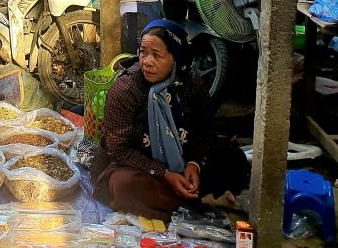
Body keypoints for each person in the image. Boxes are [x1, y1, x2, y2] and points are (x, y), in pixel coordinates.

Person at [90, 20, 250, 220]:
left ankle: (181, 197)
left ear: (177, 57)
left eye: (156, 55)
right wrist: (164, 173)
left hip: (181, 162)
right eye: (143, 52)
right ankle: (198, 200)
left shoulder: (193, 86)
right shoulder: (126, 90)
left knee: (235, 160)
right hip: (139, 166)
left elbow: (205, 132)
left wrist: (194, 165)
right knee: (122, 185)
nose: (146, 62)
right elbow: (119, 149)